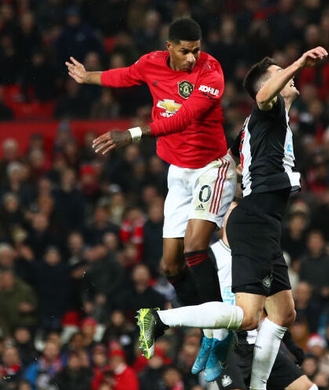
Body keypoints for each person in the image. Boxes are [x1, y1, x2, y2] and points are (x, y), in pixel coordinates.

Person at [135, 46, 329, 390]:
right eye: (279, 74)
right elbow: (262, 95)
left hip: (265, 223)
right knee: (246, 317)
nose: (289, 79)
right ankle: (159, 319)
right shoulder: (267, 109)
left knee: (285, 314)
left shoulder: (267, 124)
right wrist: (298, 65)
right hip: (255, 220)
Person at [66, 19, 236, 368]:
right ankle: (205, 331)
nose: (192, 57)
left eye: (197, 49)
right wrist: (88, 77)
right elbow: (124, 75)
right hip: (179, 173)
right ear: (169, 46)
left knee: (194, 248)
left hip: (212, 167)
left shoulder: (211, 74)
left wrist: (133, 133)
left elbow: (184, 119)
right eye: (185, 50)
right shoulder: (152, 63)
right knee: (171, 265)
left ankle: (221, 333)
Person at [209, 202, 329, 390]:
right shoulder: (209, 256)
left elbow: (273, 308)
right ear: (222, 221)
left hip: (258, 342)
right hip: (224, 343)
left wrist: (289, 343)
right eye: (232, 214)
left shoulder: (257, 256)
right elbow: (187, 296)